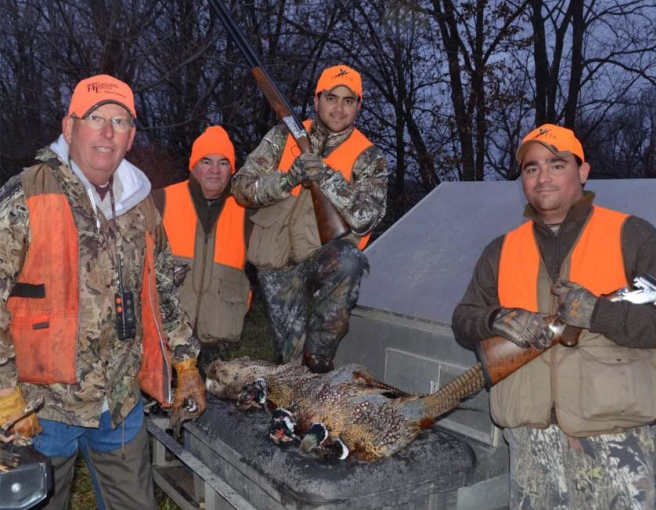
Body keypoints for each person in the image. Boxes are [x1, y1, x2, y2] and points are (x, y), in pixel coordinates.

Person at [452, 124, 656, 510]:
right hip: (531, 438)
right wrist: (494, 318)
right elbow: (463, 319)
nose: (542, 176)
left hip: (612, 433)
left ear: (582, 171)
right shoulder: (502, 248)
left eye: (556, 164)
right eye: (531, 168)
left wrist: (598, 313)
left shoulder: (632, 234)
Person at [0, 74, 207, 510]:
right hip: (42, 405)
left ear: (130, 138)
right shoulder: (28, 195)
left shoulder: (141, 204)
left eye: (119, 121)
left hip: (120, 401)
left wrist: (186, 360)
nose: (107, 132)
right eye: (95, 118)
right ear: (69, 127)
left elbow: (162, 288)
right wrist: (3, 392)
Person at [232, 64, 388, 374]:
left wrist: (327, 178)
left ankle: (319, 362)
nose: (339, 108)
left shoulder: (369, 156)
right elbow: (241, 187)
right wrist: (287, 179)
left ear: (359, 105)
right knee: (291, 364)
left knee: (349, 260)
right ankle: (302, 381)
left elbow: (367, 216)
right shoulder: (283, 135)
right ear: (316, 100)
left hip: (325, 260)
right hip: (278, 267)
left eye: (348, 100)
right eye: (331, 98)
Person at [153, 125, 252, 367]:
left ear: (232, 170)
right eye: (206, 161)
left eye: (223, 162)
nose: (215, 170)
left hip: (219, 348)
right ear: (193, 166)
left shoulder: (248, 212)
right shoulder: (160, 200)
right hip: (163, 343)